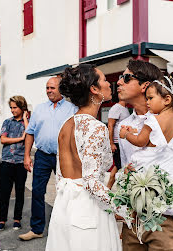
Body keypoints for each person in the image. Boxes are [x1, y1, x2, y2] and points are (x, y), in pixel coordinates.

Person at [117, 60, 173, 250]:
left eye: (125, 78)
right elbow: (129, 166)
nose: (119, 82)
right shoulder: (123, 125)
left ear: (145, 86)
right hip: (132, 222)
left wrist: (153, 187)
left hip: (166, 220)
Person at [46, 64, 128, 251]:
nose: (110, 84)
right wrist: (125, 207)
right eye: (105, 80)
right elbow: (92, 183)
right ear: (94, 89)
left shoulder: (65, 125)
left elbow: (60, 176)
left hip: (63, 207)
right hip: (88, 210)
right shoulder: (96, 128)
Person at [19, 77, 78, 241]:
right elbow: (30, 132)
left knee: (66, 192)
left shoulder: (72, 109)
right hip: (42, 155)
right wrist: (26, 156)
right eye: (47, 88)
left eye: (52, 88)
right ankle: (37, 229)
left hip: (64, 156)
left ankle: (68, 229)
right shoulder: (39, 109)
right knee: (37, 191)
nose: (49, 91)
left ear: (61, 89)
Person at [0, 96, 29, 231]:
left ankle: (17, 219)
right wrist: (20, 138)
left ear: (22, 108)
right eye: (11, 107)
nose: (12, 110)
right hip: (7, 161)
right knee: (5, 192)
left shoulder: (27, 123)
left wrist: (26, 119)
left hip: (21, 162)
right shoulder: (7, 122)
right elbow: (3, 140)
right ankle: (2, 220)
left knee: (20, 191)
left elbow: (29, 135)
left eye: (15, 107)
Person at [107, 98, 130, 189]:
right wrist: (111, 143)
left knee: (118, 166)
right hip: (117, 142)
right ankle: (124, 188)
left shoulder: (125, 108)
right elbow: (110, 126)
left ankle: (108, 188)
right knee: (121, 165)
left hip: (123, 142)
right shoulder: (116, 108)